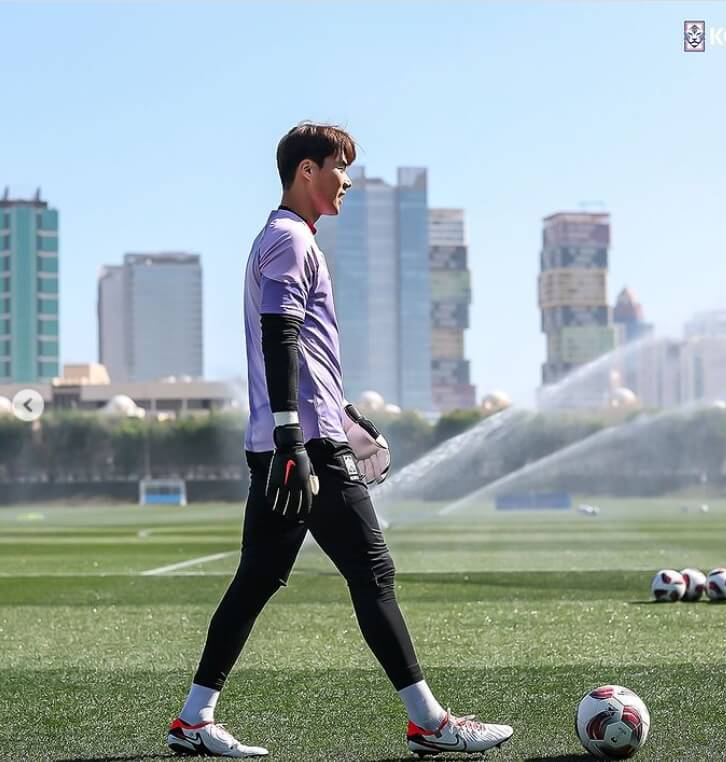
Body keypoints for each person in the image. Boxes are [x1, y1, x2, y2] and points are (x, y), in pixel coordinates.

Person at [166, 122, 513, 758]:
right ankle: (430, 724)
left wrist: (340, 409)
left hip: (299, 436)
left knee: (260, 576)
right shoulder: (290, 240)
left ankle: (194, 719)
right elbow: (280, 335)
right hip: (305, 447)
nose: (346, 180)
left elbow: (302, 350)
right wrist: (300, 439)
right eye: (339, 166)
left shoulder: (286, 239)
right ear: (307, 171)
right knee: (372, 570)